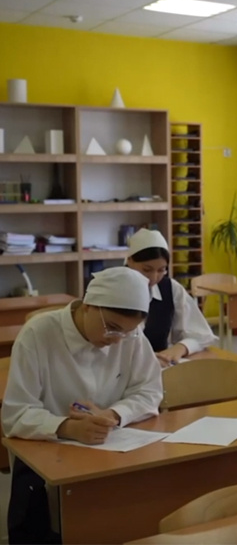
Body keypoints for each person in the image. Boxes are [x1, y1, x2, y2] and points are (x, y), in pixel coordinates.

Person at [2, 266, 162, 544]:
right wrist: (67, 428)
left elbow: (150, 390)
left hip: (112, 454)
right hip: (46, 459)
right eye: (112, 328)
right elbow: (15, 413)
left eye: (127, 332)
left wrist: (113, 414)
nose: (116, 340)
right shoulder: (38, 334)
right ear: (88, 305)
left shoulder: (131, 337)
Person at [125, 228, 218, 367]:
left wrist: (181, 347)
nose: (153, 278)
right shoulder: (112, 289)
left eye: (161, 270)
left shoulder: (170, 288)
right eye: (147, 269)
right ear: (130, 261)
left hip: (161, 368)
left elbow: (201, 334)